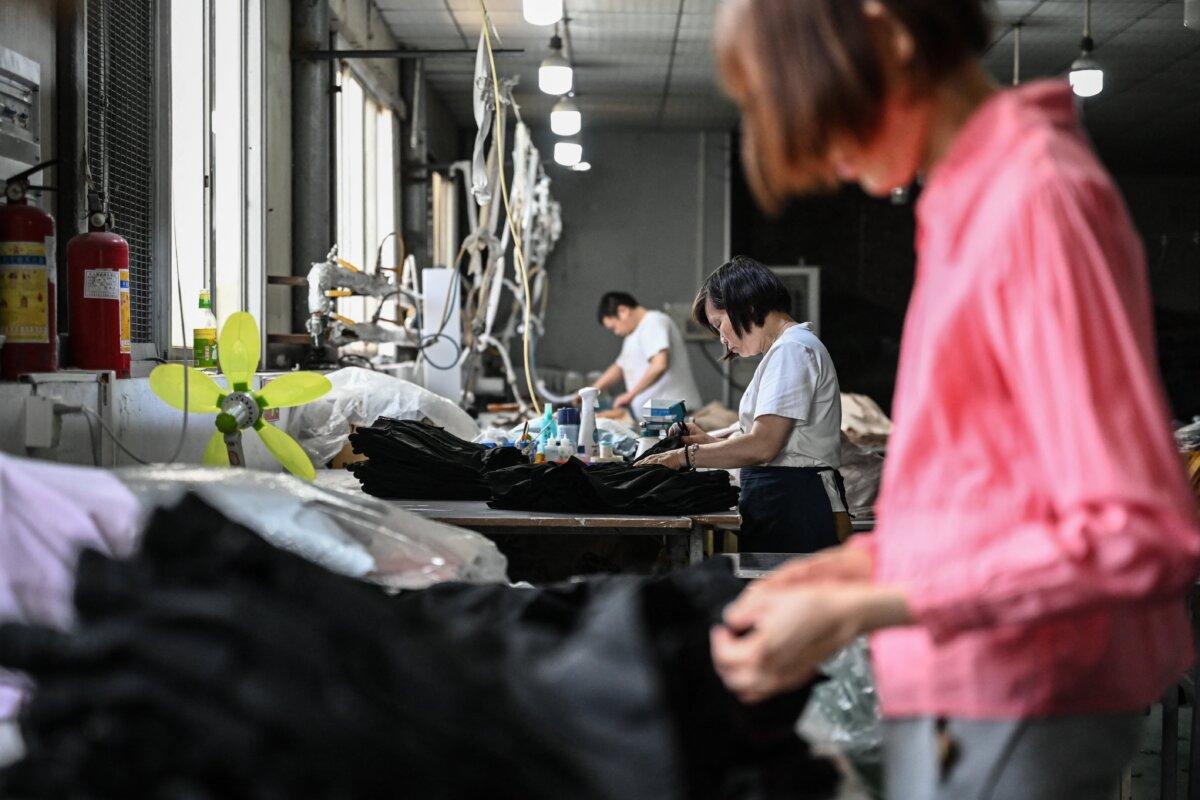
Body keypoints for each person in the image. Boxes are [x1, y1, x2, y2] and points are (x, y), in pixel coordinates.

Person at [707, 1, 1200, 798]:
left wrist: (865, 606)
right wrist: (853, 572)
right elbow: (996, 499)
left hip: (1024, 685)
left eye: (827, 119)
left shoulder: (1033, 204)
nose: (831, 160)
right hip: (981, 683)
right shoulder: (969, 208)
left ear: (887, 33)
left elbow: (1134, 531)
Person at [639, 256, 850, 553]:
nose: (722, 340)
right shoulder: (786, 350)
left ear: (746, 306)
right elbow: (779, 447)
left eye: (718, 323)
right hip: (783, 501)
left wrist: (682, 457)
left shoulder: (792, 350)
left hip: (796, 506)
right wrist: (710, 443)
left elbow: (763, 445)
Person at [591, 292, 701, 420]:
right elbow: (619, 367)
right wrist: (592, 391)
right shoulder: (633, 335)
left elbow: (659, 365)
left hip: (674, 413)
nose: (616, 332)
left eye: (614, 327)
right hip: (657, 416)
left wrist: (630, 395)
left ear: (623, 311)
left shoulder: (653, 321)